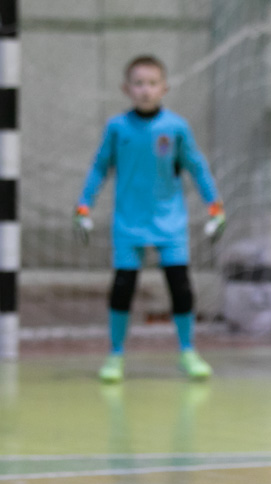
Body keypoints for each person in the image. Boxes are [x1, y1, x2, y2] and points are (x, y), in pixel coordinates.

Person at [75, 55, 225, 383]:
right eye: (139, 83)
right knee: (123, 287)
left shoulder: (176, 127)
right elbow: (100, 167)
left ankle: (187, 351)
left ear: (164, 88)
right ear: (126, 88)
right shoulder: (117, 128)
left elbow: (196, 167)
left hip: (170, 223)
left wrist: (214, 206)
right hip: (128, 223)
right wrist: (84, 205)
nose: (145, 90)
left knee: (180, 285)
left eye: (152, 83)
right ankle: (115, 354)